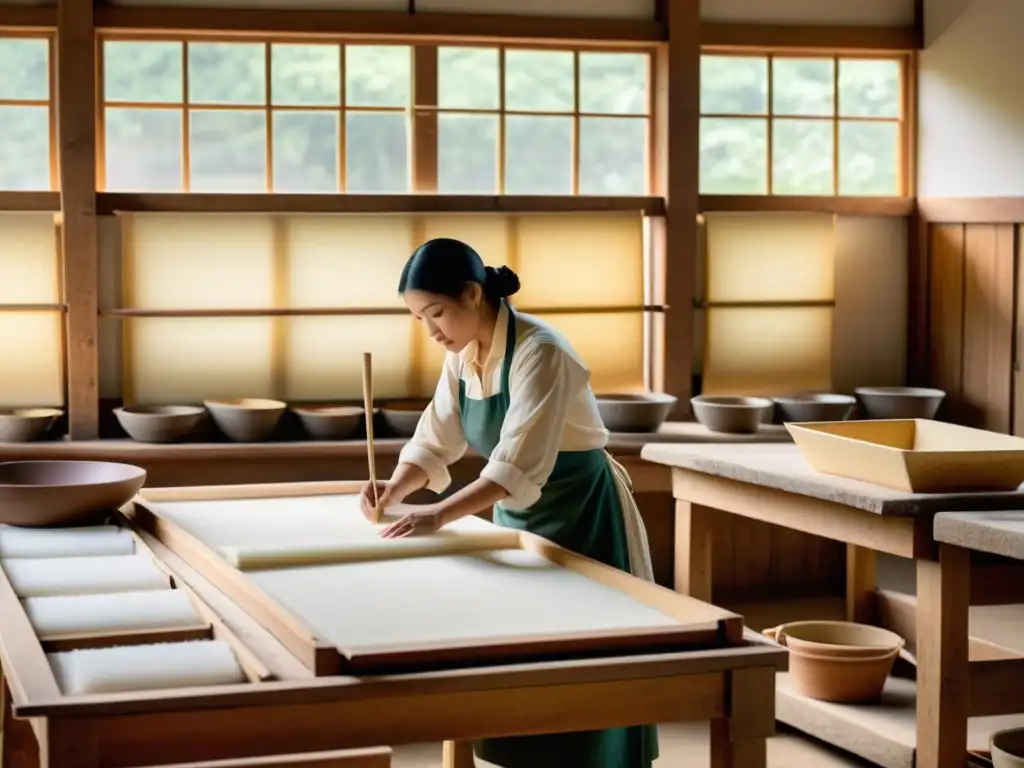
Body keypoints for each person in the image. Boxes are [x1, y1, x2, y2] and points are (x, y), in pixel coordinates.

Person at [359, 237, 657, 768]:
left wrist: (437, 513)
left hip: (580, 514)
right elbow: (435, 438)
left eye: (437, 314)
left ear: (473, 295)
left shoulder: (541, 352)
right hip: (516, 516)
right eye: (420, 319)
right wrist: (396, 487)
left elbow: (514, 466)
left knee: (585, 660)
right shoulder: (462, 357)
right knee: (522, 654)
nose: (431, 332)